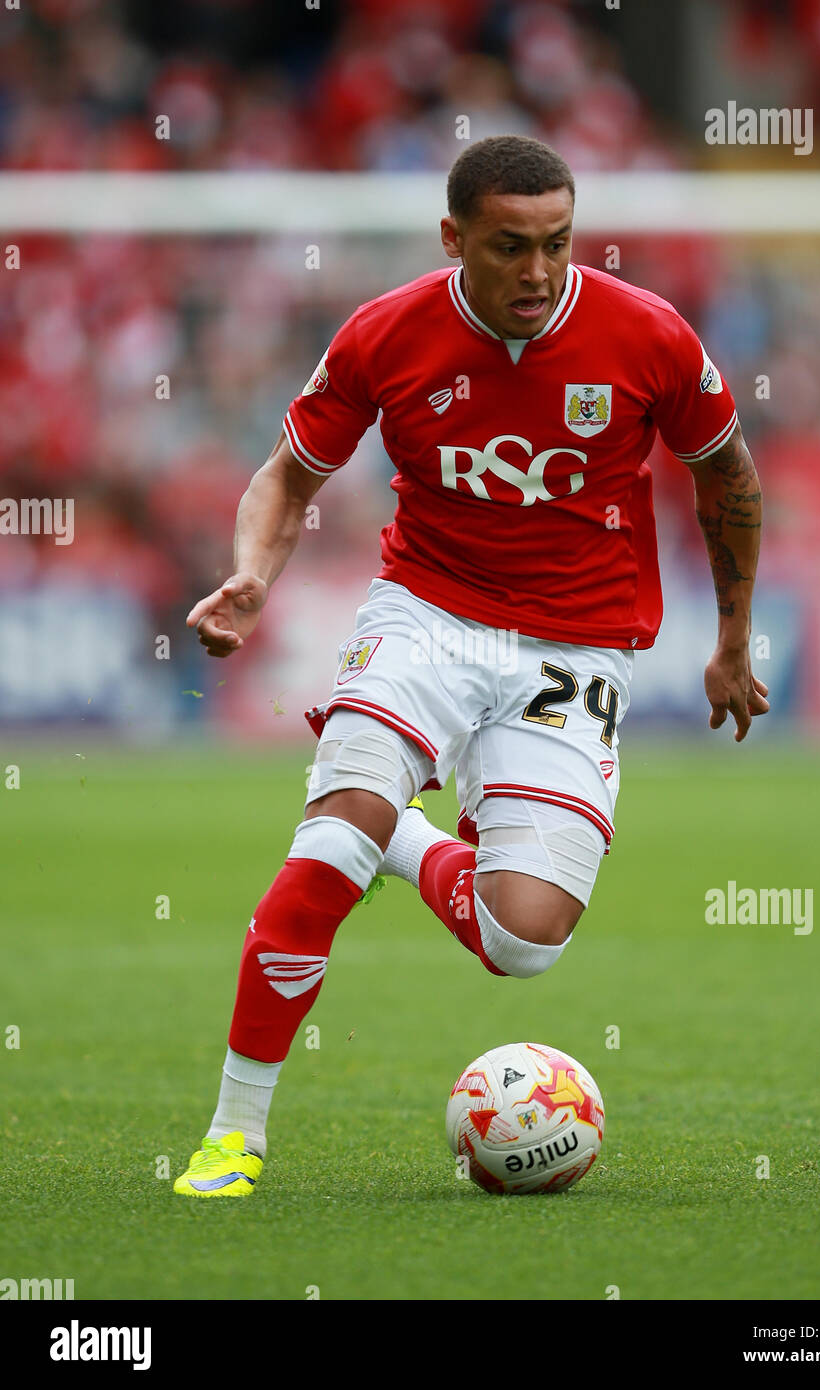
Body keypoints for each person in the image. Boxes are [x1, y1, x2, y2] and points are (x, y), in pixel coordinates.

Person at [174, 134, 769, 1196]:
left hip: (577, 643)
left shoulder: (647, 336)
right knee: (327, 840)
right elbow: (286, 478)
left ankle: (401, 830)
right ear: (454, 239)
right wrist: (252, 573)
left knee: (522, 941)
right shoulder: (384, 335)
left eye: (557, 243)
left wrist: (731, 640)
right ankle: (235, 1132)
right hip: (426, 615)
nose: (538, 272)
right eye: (509, 247)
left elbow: (727, 477)